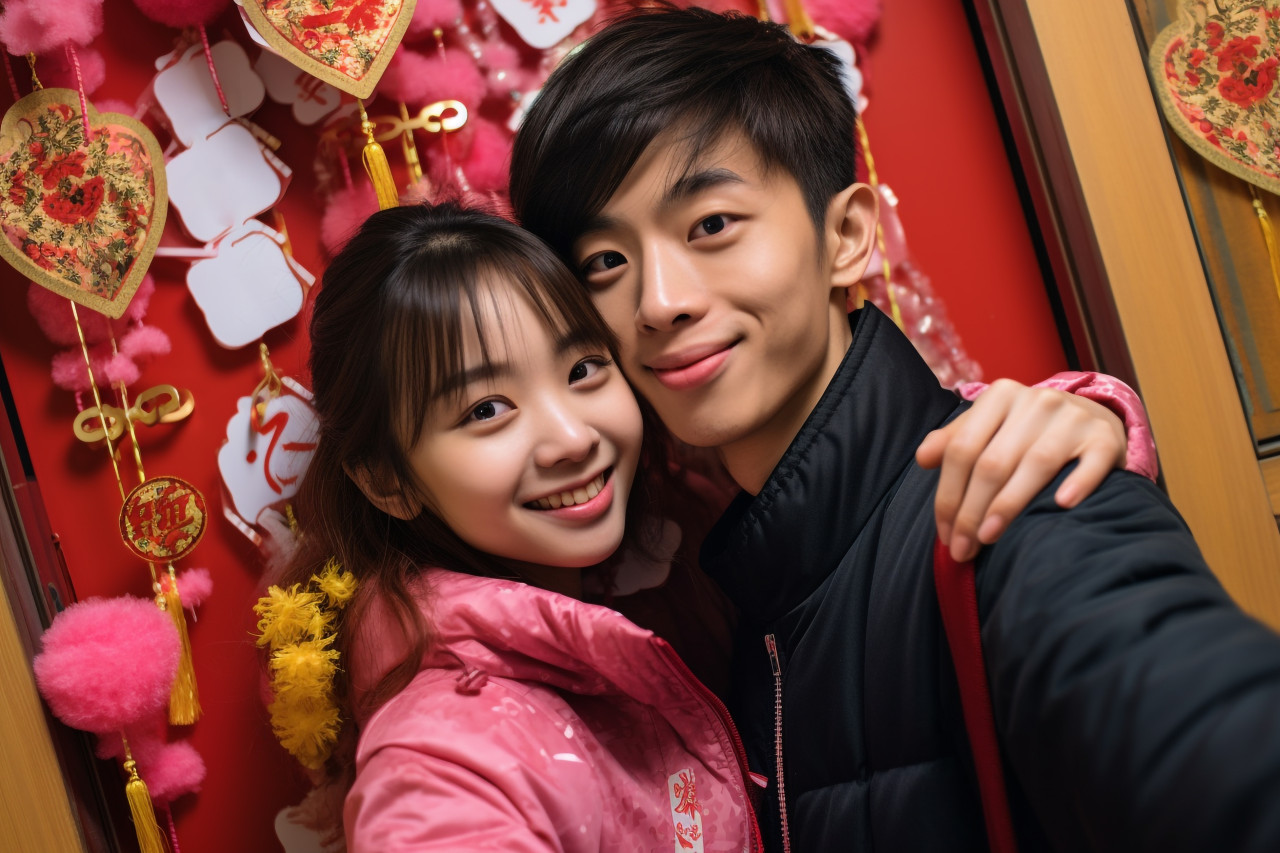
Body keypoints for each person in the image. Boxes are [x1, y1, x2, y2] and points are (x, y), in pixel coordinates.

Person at [508, 6, 1280, 852]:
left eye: (712, 226)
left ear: (844, 237)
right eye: (605, 263)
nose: (661, 300)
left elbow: (1202, 732)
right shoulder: (732, 601)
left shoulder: (1015, 497)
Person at [262, 200, 1152, 853]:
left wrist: (1083, 415)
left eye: (582, 369)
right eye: (488, 408)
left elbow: (875, 465)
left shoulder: (680, 542)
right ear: (388, 482)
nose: (573, 437)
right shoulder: (444, 752)